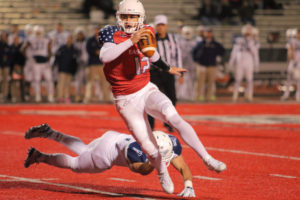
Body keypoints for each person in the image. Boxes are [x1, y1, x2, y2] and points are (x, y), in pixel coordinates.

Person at [98, 0, 226, 194]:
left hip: (146, 89)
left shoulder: (147, 30)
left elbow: (152, 54)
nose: (129, 20)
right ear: (118, 17)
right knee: (149, 149)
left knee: (174, 117)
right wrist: (130, 41)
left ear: (140, 17)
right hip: (125, 100)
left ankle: (207, 158)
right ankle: (162, 172)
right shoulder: (111, 34)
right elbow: (105, 57)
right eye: (125, 16)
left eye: (133, 16)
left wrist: (168, 68)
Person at [24, 124, 196, 197]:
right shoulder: (137, 151)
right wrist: (154, 162)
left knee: (84, 150)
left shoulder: (167, 141)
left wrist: (188, 185)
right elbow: (141, 170)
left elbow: (182, 166)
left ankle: (51, 133)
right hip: (108, 153)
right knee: (75, 164)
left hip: (113, 136)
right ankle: (39, 156)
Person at [148, 14, 183, 132]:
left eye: (162, 25)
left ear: (166, 26)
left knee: (172, 97)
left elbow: (177, 55)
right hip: (154, 72)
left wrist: (180, 72)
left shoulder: (173, 39)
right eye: (159, 25)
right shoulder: (151, 38)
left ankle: (169, 122)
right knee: (151, 99)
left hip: (168, 72)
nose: (161, 27)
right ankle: (150, 126)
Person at [22, 25, 54, 103]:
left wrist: (49, 60)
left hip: (45, 61)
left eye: (39, 32)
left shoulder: (47, 39)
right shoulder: (31, 39)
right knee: (36, 80)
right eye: (37, 32)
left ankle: (50, 95)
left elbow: (49, 50)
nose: (38, 33)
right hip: (36, 62)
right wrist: (29, 58)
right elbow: (23, 48)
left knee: (49, 79)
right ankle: (37, 95)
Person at [192, 27, 225, 102]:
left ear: (212, 33)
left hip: (211, 66)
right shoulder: (200, 43)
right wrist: (197, 60)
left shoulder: (215, 44)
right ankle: (197, 97)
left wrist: (217, 57)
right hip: (201, 65)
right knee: (199, 83)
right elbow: (194, 52)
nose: (208, 34)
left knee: (211, 83)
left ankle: (208, 98)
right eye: (207, 32)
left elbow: (222, 51)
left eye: (209, 32)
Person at [229, 24, 259, 102]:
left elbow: (255, 54)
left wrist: (256, 64)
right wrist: (231, 61)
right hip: (240, 60)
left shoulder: (254, 41)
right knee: (238, 79)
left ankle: (249, 95)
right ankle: (235, 95)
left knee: (249, 79)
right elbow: (234, 51)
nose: (248, 33)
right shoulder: (239, 40)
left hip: (249, 61)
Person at [84, 26, 111, 103]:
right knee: (90, 82)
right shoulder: (90, 40)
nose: (97, 32)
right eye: (96, 30)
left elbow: (108, 49)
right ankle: (87, 98)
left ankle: (106, 98)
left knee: (104, 82)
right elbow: (88, 50)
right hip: (92, 64)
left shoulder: (104, 40)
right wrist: (96, 52)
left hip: (102, 64)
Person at [55, 35, 78, 103]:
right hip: (62, 68)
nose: (69, 40)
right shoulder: (62, 48)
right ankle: (60, 97)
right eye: (68, 38)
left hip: (70, 69)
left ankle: (67, 97)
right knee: (61, 84)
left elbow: (75, 61)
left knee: (68, 84)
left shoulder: (74, 49)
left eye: (71, 38)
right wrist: (59, 66)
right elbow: (57, 57)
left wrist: (74, 69)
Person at [177, 26, 197, 101]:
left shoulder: (195, 42)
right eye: (186, 33)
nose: (188, 34)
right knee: (179, 79)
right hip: (181, 63)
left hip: (191, 63)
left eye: (189, 33)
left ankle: (191, 95)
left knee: (192, 80)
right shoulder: (179, 41)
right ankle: (179, 95)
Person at [281, 29, 300, 102]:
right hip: (293, 61)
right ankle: (286, 94)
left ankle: (298, 95)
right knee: (289, 79)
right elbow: (289, 49)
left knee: (299, 80)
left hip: (299, 63)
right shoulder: (293, 40)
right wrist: (291, 56)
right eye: (298, 33)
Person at [73, 26, 88, 102]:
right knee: (78, 82)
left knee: (87, 82)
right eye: (79, 34)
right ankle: (78, 96)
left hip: (86, 64)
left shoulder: (86, 42)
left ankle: (86, 96)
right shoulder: (75, 43)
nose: (80, 36)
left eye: (81, 34)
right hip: (78, 65)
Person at [0, 31, 10, 102]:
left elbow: (10, 56)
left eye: (4, 36)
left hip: (6, 65)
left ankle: (4, 95)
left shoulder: (7, 45)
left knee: (5, 81)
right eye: (2, 36)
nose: (3, 37)